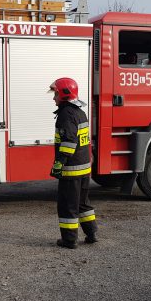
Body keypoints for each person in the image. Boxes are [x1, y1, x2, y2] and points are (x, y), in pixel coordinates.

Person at [49, 77, 98, 249]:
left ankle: (69, 240)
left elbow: (69, 142)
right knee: (83, 203)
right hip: (84, 168)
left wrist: (59, 163)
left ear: (63, 94)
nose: (53, 98)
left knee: (67, 205)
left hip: (72, 171)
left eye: (55, 94)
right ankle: (91, 234)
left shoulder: (66, 114)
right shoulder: (79, 111)